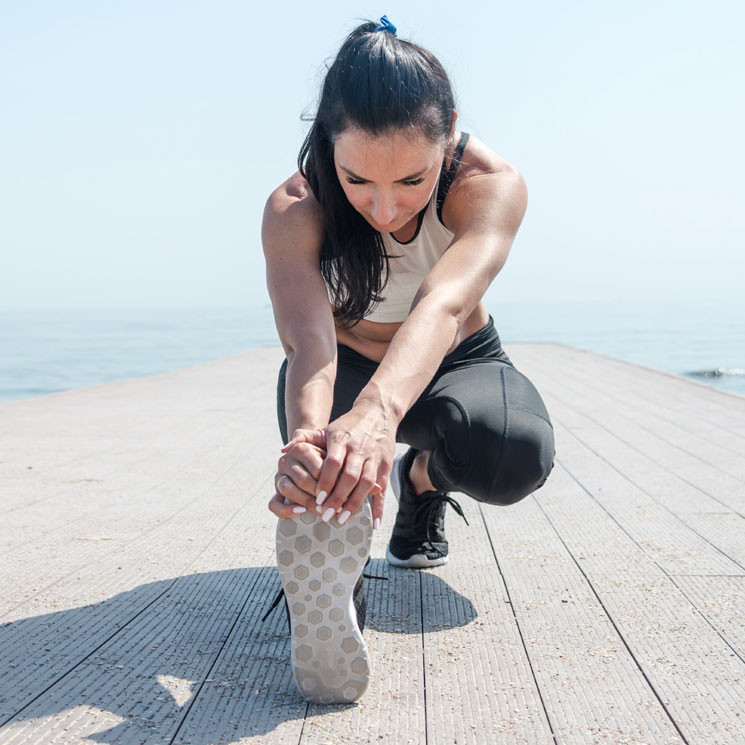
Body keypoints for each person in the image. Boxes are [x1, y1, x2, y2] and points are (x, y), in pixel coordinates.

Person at [262, 17, 555, 704]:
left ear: (449, 131)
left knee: (516, 455)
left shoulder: (489, 182)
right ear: (327, 140)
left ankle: (419, 478)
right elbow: (309, 343)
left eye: (411, 180)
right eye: (357, 178)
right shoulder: (295, 208)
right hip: (346, 366)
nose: (384, 207)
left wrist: (377, 417)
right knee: (324, 461)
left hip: (455, 360)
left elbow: (443, 306)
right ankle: (338, 581)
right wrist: (311, 439)